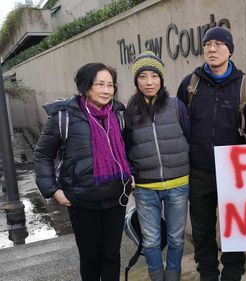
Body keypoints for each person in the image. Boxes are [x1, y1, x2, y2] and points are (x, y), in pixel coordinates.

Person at [34, 63, 132, 281]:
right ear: (86, 86)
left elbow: (126, 150)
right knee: (90, 258)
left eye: (110, 85)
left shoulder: (118, 114)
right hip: (82, 199)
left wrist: (130, 175)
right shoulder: (64, 116)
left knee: (111, 255)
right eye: (100, 85)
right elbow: (42, 155)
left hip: (116, 198)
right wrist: (52, 190)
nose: (106, 90)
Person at [176, 27, 246, 281]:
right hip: (199, 170)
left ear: (230, 50)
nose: (212, 49)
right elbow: (180, 125)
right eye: (207, 44)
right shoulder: (190, 84)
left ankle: (233, 274)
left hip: (233, 172)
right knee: (202, 231)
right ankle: (208, 274)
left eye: (218, 44)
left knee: (234, 229)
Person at [124, 51, 190, 281]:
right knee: (150, 240)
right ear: (136, 81)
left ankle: (173, 277)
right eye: (143, 77)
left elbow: (189, 137)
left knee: (176, 238)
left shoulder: (176, 106)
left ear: (161, 79)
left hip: (178, 184)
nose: (149, 81)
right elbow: (125, 148)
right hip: (145, 187)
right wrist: (130, 175)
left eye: (154, 75)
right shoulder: (128, 113)